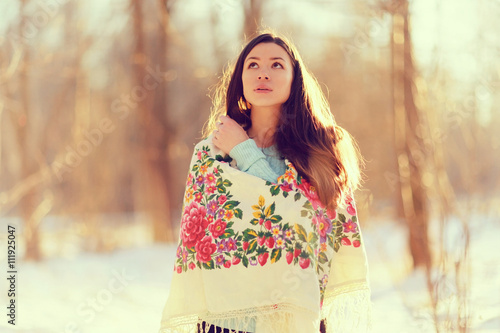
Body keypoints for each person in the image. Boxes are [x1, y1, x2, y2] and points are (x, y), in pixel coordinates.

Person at [159, 32, 370, 333]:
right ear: (240, 78)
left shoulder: (321, 149)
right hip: (228, 318)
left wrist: (244, 152)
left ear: (295, 78)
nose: (263, 74)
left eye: (276, 65)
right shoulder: (211, 153)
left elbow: (302, 217)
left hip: (297, 314)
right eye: (253, 65)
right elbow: (198, 240)